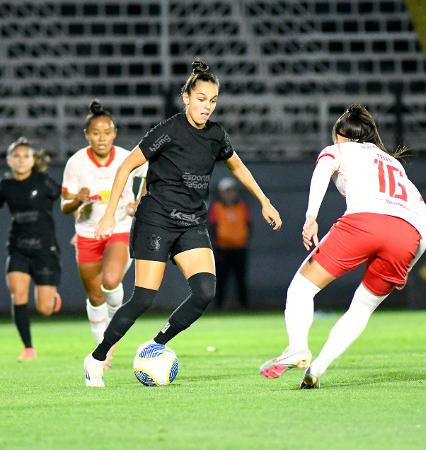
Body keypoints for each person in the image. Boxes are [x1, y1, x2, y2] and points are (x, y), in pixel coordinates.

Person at [83, 59, 282, 387]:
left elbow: (239, 168)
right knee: (144, 298)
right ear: (186, 97)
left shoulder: (216, 136)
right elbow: (125, 168)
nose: (207, 106)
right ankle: (97, 356)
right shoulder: (168, 130)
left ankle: (156, 344)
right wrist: (108, 213)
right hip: (156, 222)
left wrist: (265, 201)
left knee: (204, 291)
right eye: (201, 99)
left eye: (213, 101)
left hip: (192, 224)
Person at [260, 104, 426, 388]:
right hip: (406, 235)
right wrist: (408, 264)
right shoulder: (393, 163)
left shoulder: (338, 150)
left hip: (363, 222)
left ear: (339, 134)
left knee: (301, 288)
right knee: (362, 308)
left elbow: (322, 171)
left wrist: (311, 216)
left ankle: (298, 348)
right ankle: (317, 369)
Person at [61, 100, 146, 367]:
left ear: (114, 133)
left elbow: (150, 173)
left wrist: (140, 200)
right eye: (95, 133)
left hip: (119, 228)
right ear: (87, 134)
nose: (101, 138)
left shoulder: (125, 157)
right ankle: (102, 344)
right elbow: (65, 205)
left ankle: (111, 334)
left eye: (106, 132)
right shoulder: (76, 163)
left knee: (110, 281)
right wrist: (79, 200)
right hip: (87, 234)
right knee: (95, 296)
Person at [0, 137, 62, 361]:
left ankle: (52, 298)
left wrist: (79, 199)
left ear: (32, 160)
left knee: (44, 309)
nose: (21, 160)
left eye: (25, 156)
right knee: (18, 294)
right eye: (16, 156)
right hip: (18, 249)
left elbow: (66, 197)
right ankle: (28, 348)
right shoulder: (5, 186)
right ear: (9, 160)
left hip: (45, 250)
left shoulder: (43, 181)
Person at [209, 177, 251, 309]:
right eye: (226, 191)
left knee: (241, 279)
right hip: (223, 249)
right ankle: (219, 307)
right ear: (221, 193)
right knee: (221, 280)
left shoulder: (242, 207)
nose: (229, 194)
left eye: (231, 191)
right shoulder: (217, 208)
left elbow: (248, 224)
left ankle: (244, 306)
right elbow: (213, 228)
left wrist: (244, 238)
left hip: (240, 248)